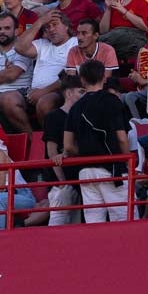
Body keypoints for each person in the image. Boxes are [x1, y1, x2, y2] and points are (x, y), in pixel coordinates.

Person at [61, 60, 131, 223]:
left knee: (93, 225)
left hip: (86, 172)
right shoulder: (112, 101)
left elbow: (68, 146)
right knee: (124, 222)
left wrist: (88, 152)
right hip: (113, 169)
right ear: (104, 78)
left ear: (82, 80)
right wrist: (127, 161)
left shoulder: (75, 107)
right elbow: (121, 138)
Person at [3, 9, 77, 130]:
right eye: (47, 27)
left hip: (60, 90)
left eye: (55, 24)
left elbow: (69, 74)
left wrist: (43, 91)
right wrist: (40, 22)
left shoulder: (75, 43)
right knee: (7, 99)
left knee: (44, 103)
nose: (51, 29)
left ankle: (50, 141)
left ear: (67, 26)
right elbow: (19, 47)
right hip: (33, 92)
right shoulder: (43, 44)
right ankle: (33, 139)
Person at [39, 73, 84, 226]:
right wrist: (62, 182)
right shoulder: (53, 117)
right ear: (69, 93)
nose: (84, 95)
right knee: (58, 224)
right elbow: (51, 151)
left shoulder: (81, 116)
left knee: (77, 225)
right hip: (60, 182)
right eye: (81, 91)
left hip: (79, 179)